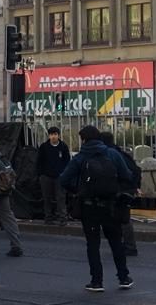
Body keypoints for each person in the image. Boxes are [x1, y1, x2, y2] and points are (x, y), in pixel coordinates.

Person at [59, 125, 134, 292]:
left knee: (93, 244)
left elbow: (63, 179)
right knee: (116, 242)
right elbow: (127, 176)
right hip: (111, 206)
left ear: (84, 139)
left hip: (89, 207)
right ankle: (123, 277)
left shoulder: (80, 158)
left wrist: (78, 191)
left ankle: (97, 281)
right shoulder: (112, 154)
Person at [101, 131, 142, 257]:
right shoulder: (121, 153)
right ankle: (126, 245)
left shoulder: (110, 154)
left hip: (121, 188)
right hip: (127, 188)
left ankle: (129, 246)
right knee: (121, 217)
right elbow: (136, 170)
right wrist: (136, 187)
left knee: (122, 218)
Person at [37, 127, 72, 225]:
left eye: (55, 134)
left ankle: (62, 218)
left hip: (59, 176)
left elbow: (67, 161)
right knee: (46, 197)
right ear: (49, 135)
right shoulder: (44, 147)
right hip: (46, 176)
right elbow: (39, 161)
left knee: (60, 197)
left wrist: (64, 174)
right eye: (51, 134)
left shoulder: (63, 146)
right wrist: (41, 174)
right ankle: (48, 218)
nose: (53, 136)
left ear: (59, 135)